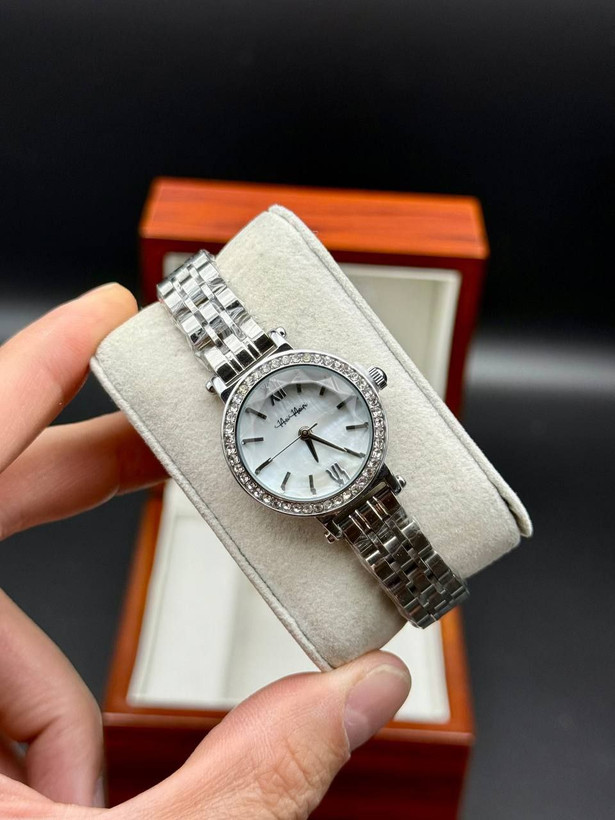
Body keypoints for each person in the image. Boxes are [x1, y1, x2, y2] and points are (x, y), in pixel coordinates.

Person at [0, 284, 411, 819]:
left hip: (354, 482)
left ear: (363, 387)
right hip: (328, 499)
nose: (306, 435)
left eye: (309, 431)